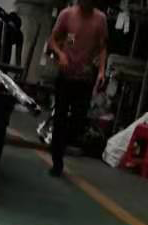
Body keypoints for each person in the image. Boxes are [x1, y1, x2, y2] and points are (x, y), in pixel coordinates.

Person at [46, 0, 107, 179]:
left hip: (85, 78)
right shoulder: (67, 15)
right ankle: (57, 161)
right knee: (60, 117)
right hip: (65, 76)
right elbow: (52, 40)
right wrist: (60, 54)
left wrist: (101, 70)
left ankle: (62, 143)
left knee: (78, 121)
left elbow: (102, 47)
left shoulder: (100, 19)